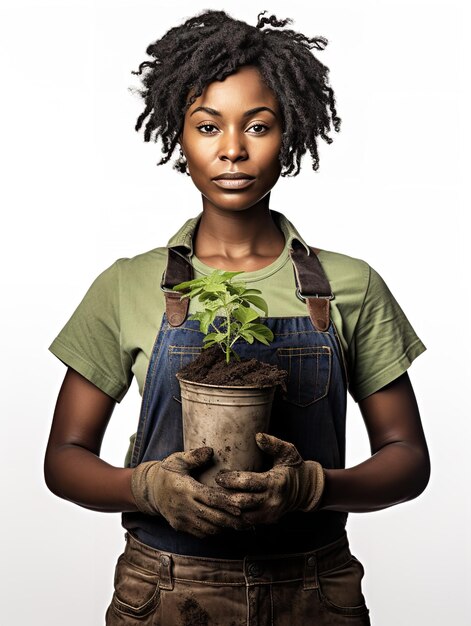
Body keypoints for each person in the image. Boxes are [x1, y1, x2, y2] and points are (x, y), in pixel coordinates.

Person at [44, 10, 430, 625]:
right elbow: (64, 457)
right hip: (167, 590)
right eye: (207, 126)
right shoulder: (127, 285)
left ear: (291, 135)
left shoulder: (351, 285)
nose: (232, 149)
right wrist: (148, 487)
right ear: (180, 135)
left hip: (314, 589)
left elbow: (408, 457)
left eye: (258, 126)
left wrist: (312, 487)